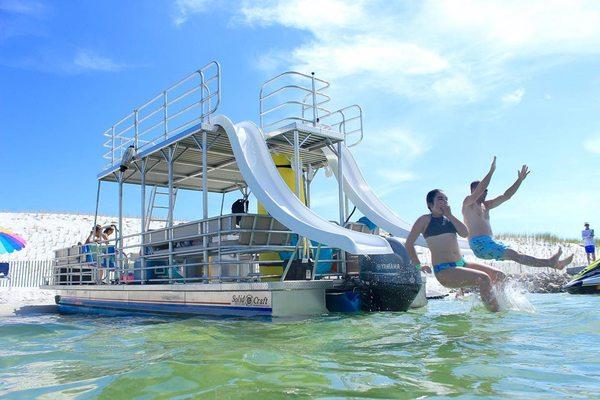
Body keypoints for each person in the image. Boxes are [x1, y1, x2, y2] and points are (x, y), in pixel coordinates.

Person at [462, 157, 573, 269]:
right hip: (479, 244)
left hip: (490, 243)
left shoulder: (486, 206)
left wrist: (519, 180)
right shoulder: (468, 203)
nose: (484, 192)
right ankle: (551, 262)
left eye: (486, 190)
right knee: (514, 255)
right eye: (481, 190)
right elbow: (482, 187)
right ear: (473, 192)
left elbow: (506, 196)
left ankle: (556, 264)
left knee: (517, 254)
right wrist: (491, 172)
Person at [406, 189, 505, 312]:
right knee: (484, 278)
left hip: (462, 264)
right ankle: (496, 315)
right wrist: (418, 265)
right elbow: (409, 243)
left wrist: (450, 216)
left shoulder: (449, 219)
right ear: (430, 204)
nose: (445, 202)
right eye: (440, 199)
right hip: (444, 270)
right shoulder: (424, 220)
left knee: (500, 276)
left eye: (446, 199)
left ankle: (496, 305)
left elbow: (465, 233)